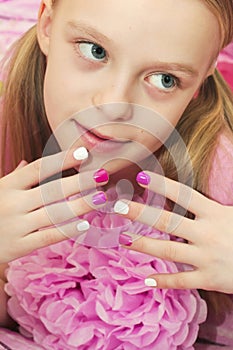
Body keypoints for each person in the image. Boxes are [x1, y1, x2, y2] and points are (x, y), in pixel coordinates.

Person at [0, 0, 233, 348]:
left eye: (164, 79)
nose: (114, 104)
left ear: (201, 76)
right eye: (95, 51)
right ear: (47, 24)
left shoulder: (220, 172)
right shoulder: (8, 123)